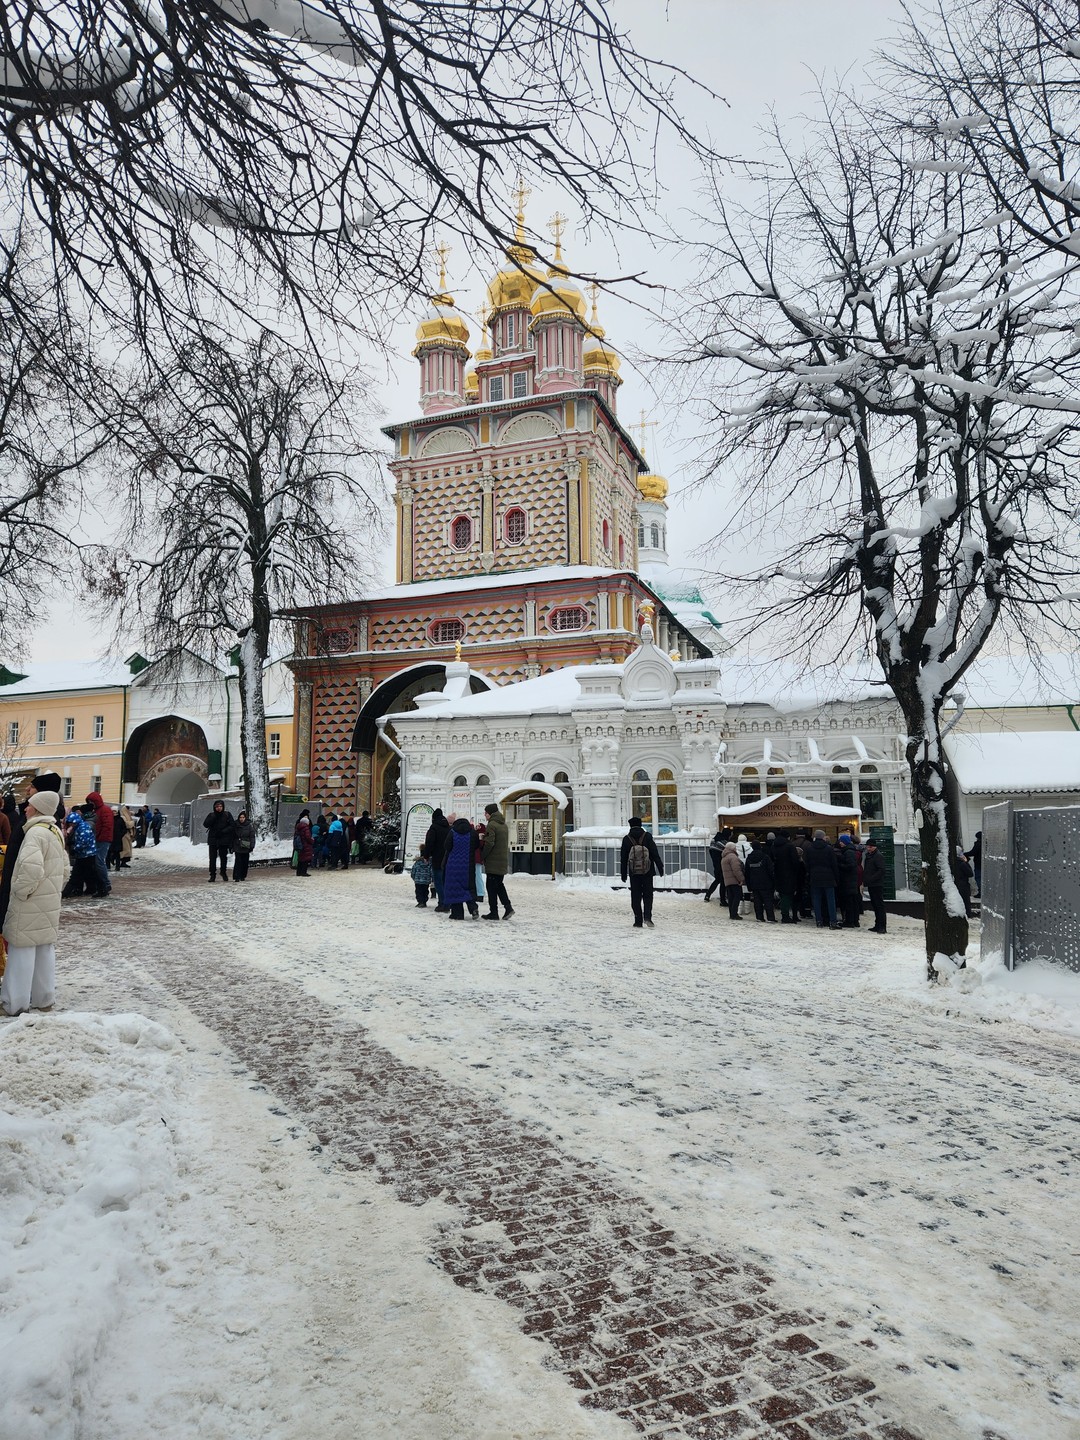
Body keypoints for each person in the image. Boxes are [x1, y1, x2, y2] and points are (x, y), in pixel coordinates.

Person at [0, 790, 69, 1017]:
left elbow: (30, 869)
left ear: (38, 808)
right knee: (44, 950)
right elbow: (65, 868)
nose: (26, 808)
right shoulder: (55, 831)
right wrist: (53, 890)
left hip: (28, 903)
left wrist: (19, 892)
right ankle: (44, 999)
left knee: (22, 952)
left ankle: (14, 1003)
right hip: (47, 901)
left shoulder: (35, 833)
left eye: (29, 805)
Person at [620, 815, 664, 929]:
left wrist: (623, 873)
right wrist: (660, 867)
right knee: (648, 895)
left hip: (634, 872)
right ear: (640, 825)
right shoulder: (647, 836)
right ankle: (648, 917)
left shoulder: (626, 839)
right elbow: (654, 853)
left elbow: (623, 858)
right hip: (648, 871)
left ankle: (638, 920)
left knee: (635, 895)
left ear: (630, 826)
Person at [480, 802, 514, 920]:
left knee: (491, 888)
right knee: (499, 885)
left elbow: (490, 843)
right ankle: (508, 907)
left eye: (486, 813)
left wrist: (482, 855)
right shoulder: (503, 825)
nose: (485, 815)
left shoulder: (491, 825)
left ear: (490, 813)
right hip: (502, 861)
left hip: (493, 862)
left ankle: (493, 912)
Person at [442, 815, 479, 919]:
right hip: (468, 866)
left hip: (453, 866)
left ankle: (457, 914)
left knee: (455, 889)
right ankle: (473, 908)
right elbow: (476, 845)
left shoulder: (452, 832)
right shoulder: (472, 833)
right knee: (468, 888)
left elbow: (447, 846)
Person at [62, 804, 100, 898]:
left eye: (71, 823)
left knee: (78, 874)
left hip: (86, 854)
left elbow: (84, 842)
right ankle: (94, 889)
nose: (70, 825)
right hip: (86, 854)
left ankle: (67, 892)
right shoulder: (80, 827)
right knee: (89, 873)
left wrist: (75, 848)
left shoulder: (82, 827)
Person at [806, 829, 841, 928]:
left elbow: (807, 864)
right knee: (830, 900)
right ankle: (833, 921)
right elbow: (834, 864)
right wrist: (836, 877)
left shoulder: (810, 848)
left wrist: (810, 873)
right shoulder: (829, 848)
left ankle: (819, 921)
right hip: (828, 876)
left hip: (815, 876)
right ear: (823, 837)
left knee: (816, 899)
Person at [83, 790, 114, 899]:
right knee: (97, 862)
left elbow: (107, 826)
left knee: (99, 862)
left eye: (91, 801)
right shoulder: (98, 810)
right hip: (98, 838)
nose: (90, 803)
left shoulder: (104, 810)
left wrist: (99, 837)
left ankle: (105, 884)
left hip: (102, 839)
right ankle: (103, 884)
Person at [772, 829, 802, 923]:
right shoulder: (790, 846)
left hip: (777, 872)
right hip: (789, 873)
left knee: (782, 893)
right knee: (787, 894)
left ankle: (784, 913)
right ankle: (785, 915)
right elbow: (794, 861)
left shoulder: (774, 845)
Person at [743, 838, 777, 922]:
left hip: (754, 883)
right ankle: (770, 917)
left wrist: (749, 885)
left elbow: (747, 872)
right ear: (760, 847)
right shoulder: (765, 857)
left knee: (757, 901)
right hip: (766, 883)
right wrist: (774, 881)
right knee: (768, 900)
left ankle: (759, 917)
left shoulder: (749, 858)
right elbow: (771, 870)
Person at [424, 808, 451, 911]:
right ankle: (448, 903)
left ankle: (443, 903)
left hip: (437, 858)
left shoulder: (434, 828)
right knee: (446, 882)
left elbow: (429, 843)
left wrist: (426, 855)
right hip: (447, 858)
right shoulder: (449, 828)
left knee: (438, 882)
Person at [203, 799, 236, 882]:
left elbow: (232, 826)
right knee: (212, 858)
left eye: (220, 806)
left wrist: (223, 832)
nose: (219, 808)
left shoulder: (227, 815)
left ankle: (223, 872)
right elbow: (205, 824)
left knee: (223, 857)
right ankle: (212, 874)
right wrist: (213, 818)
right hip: (213, 839)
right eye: (217, 806)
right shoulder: (211, 815)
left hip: (223, 839)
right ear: (214, 807)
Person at [863, 838, 888, 933]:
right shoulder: (870, 856)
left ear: (874, 847)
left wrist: (871, 879)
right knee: (875, 905)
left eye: (870, 847)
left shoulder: (877, 856)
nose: (868, 848)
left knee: (879, 905)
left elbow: (881, 870)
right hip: (872, 884)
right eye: (868, 846)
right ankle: (878, 925)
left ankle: (882, 926)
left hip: (876, 884)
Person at [836, 833, 862, 928]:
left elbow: (850, 866)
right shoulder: (850, 850)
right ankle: (854, 920)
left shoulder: (848, 852)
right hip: (851, 880)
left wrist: (840, 865)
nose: (840, 844)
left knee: (849, 902)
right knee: (852, 901)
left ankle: (850, 921)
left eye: (841, 842)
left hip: (849, 880)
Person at [703, 826, 730, 903]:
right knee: (723, 882)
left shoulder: (714, 840)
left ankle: (707, 895)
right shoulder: (723, 842)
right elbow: (728, 850)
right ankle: (723, 900)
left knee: (717, 880)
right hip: (722, 864)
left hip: (715, 864)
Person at [719, 841, 745, 920]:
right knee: (737, 896)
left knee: (731, 897)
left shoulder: (724, 857)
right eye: (735, 848)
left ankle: (732, 913)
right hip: (734, 881)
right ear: (733, 848)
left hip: (727, 881)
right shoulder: (733, 857)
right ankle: (734, 914)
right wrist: (741, 879)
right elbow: (736, 870)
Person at [952, 845, 975, 918]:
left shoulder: (952, 863)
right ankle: (968, 915)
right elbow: (970, 874)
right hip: (963, 885)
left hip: (955, 884)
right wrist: (966, 862)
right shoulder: (962, 864)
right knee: (966, 902)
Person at [233, 810, 256, 881]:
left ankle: (243, 875)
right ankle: (237, 876)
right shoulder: (235, 825)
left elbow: (252, 836)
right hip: (237, 845)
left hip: (246, 845)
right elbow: (232, 836)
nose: (241, 819)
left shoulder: (249, 826)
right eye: (240, 817)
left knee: (244, 862)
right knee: (238, 861)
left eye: (243, 817)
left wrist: (252, 846)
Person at [293, 808, 314, 876]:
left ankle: (299, 872)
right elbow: (308, 837)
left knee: (301, 858)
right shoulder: (306, 828)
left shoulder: (298, 826)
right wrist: (312, 840)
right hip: (306, 845)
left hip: (300, 844)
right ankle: (303, 872)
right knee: (305, 858)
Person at [965, 831, 983, 895]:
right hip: (985, 864)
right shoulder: (986, 844)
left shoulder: (978, 844)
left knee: (978, 878)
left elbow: (972, 853)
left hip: (978, 864)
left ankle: (981, 893)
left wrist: (964, 854)